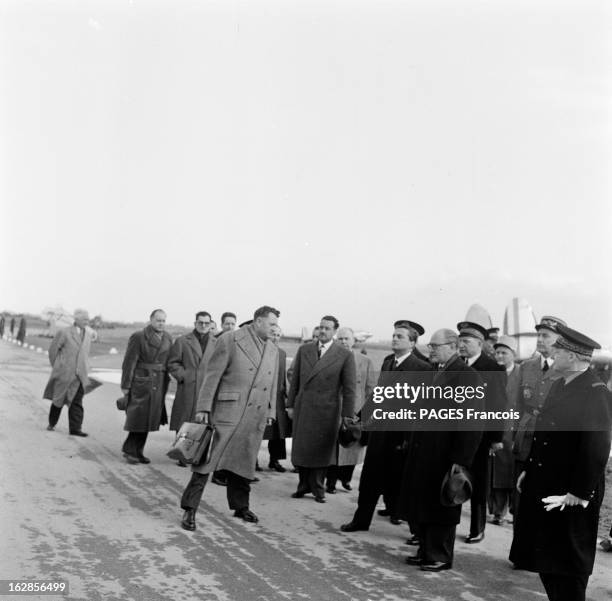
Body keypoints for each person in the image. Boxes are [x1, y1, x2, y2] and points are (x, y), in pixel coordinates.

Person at [510, 325, 612, 601]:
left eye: (559, 350)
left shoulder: (595, 392)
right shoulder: (559, 384)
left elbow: (596, 448)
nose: (552, 354)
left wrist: (578, 494)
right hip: (548, 483)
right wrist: (529, 470)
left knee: (568, 566)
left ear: (573, 356)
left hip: (571, 491)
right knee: (548, 561)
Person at [179, 306, 279, 529]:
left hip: (255, 414)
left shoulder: (272, 349)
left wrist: (270, 411)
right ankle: (189, 509)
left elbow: (272, 384)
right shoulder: (230, 340)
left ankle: (240, 506)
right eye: (272, 324)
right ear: (259, 321)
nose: (276, 328)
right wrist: (203, 407)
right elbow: (211, 376)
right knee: (206, 461)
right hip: (227, 411)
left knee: (244, 461)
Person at [402, 329, 484, 571]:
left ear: (452, 346)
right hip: (424, 451)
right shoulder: (433, 372)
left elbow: (472, 422)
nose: (431, 350)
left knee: (443, 504)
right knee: (424, 502)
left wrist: (460, 459)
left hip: (446, 455)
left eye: (435, 346)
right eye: (431, 346)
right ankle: (426, 550)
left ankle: (439, 555)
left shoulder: (467, 376)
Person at [340, 320, 431, 532]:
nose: (394, 339)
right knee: (370, 479)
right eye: (394, 335)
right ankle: (361, 521)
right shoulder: (389, 362)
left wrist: (410, 438)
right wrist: (360, 418)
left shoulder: (422, 368)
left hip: (401, 436)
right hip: (380, 433)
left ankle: (417, 532)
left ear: (412, 342)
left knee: (400, 483)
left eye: (400, 337)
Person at [287, 315, 356, 503]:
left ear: (334, 331)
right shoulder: (304, 350)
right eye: (321, 327)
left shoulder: (344, 355)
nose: (323, 331)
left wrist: (347, 417)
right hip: (304, 407)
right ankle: (302, 486)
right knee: (302, 449)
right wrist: (291, 405)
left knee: (321, 451)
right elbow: (295, 382)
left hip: (328, 411)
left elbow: (350, 389)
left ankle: (318, 488)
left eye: (327, 328)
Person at [457, 320, 507, 543]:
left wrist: (495, 438)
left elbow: (498, 406)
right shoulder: (458, 365)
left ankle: (477, 528)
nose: (462, 345)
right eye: (460, 341)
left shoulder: (493, 368)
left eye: (466, 341)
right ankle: (449, 525)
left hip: (481, 438)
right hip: (456, 434)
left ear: (479, 343)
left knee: (478, 483)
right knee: (454, 479)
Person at [326, 327, 376, 493]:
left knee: (352, 447)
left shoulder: (365, 361)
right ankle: (330, 482)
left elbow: (370, 389)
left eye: (347, 338)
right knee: (334, 450)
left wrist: (365, 412)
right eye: (340, 338)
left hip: (356, 411)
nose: (343, 342)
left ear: (354, 341)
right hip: (334, 411)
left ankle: (345, 479)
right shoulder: (329, 358)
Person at [120, 309, 173, 464]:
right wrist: (126, 385)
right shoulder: (139, 336)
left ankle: (137, 451)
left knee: (149, 419)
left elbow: (169, 360)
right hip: (141, 381)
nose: (161, 323)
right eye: (158, 320)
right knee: (138, 416)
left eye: (163, 320)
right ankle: (130, 450)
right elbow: (129, 362)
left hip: (158, 382)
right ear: (151, 320)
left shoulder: (168, 337)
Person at [167, 311, 216, 465]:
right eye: (200, 322)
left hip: (207, 388)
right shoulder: (183, 341)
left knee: (204, 422)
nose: (203, 325)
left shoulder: (216, 343)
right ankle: (182, 454)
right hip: (188, 387)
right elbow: (172, 363)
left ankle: (198, 454)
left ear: (211, 324)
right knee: (185, 420)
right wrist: (184, 376)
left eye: (206, 323)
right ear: (195, 323)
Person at [43, 309, 92, 437]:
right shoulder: (64, 332)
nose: (87, 322)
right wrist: (58, 366)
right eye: (84, 319)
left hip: (80, 375)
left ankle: (76, 429)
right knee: (58, 400)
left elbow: (86, 352)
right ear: (76, 320)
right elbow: (53, 350)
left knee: (77, 402)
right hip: (64, 374)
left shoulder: (88, 333)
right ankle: (52, 423)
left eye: (88, 319)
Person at [489, 335, 521, 524]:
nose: (499, 356)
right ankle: (496, 511)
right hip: (496, 428)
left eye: (504, 352)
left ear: (513, 354)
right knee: (496, 473)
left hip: (513, 430)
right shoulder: (492, 373)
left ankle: (512, 510)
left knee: (512, 472)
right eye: (497, 352)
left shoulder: (521, 373)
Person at [263, 324, 291, 472]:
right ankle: (252, 460)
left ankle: (275, 460)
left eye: (278, 335)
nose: (275, 337)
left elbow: (283, 375)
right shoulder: (261, 350)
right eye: (272, 333)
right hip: (263, 395)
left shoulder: (282, 353)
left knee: (278, 432)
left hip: (278, 397)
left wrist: (287, 395)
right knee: (260, 430)